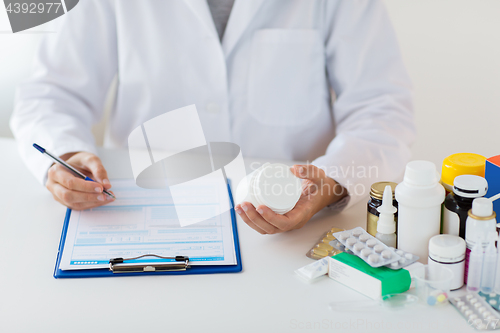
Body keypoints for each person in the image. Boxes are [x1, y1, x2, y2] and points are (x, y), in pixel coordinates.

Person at [10, 0, 415, 234]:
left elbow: (381, 106)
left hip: (296, 229)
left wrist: (332, 182)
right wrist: (63, 155)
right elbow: (52, 93)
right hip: (141, 217)